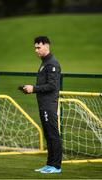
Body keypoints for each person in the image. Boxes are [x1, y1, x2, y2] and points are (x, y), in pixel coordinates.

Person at [23, 36, 62, 173]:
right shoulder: (45, 62)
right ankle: (49, 164)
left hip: (49, 105)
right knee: (48, 135)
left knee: (53, 135)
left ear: (46, 45)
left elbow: (52, 86)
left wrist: (34, 89)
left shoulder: (52, 63)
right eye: (35, 48)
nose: (36, 50)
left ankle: (56, 166)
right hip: (43, 104)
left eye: (38, 47)